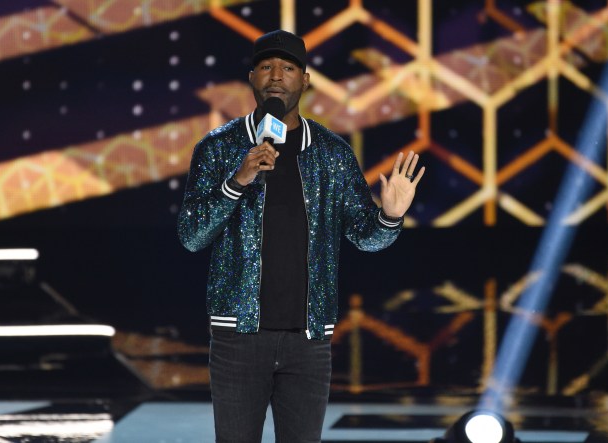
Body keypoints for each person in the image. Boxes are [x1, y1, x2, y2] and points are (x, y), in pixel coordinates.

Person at [177, 29, 425, 442]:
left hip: (308, 342)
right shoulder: (219, 148)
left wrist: (390, 216)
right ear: (252, 78)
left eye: (288, 67)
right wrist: (238, 179)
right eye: (266, 67)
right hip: (238, 337)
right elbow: (192, 236)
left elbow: (367, 238)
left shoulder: (332, 154)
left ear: (305, 80)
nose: (276, 76)